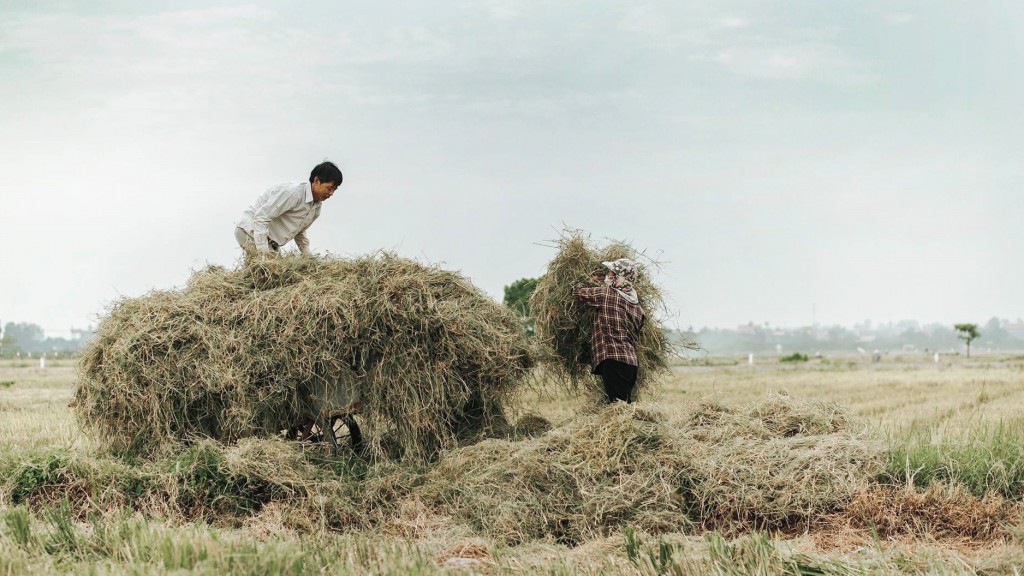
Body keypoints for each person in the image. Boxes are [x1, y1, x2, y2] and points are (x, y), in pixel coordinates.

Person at [572, 258, 645, 403]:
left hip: (614, 361)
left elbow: (578, 292)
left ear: (619, 279)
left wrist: (586, 279)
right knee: (622, 405)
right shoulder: (638, 309)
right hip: (631, 364)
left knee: (618, 409)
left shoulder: (607, 295)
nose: (607, 276)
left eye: (611, 273)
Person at [235, 161, 343, 256]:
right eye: (329, 188)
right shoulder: (294, 193)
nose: (331, 193)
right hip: (249, 232)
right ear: (316, 181)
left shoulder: (316, 207)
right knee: (270, 274)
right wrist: (264, 254)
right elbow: (261, 217)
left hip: (270, 243)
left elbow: (300, 232)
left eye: (334, 190)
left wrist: (308, 258)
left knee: (279, 273)